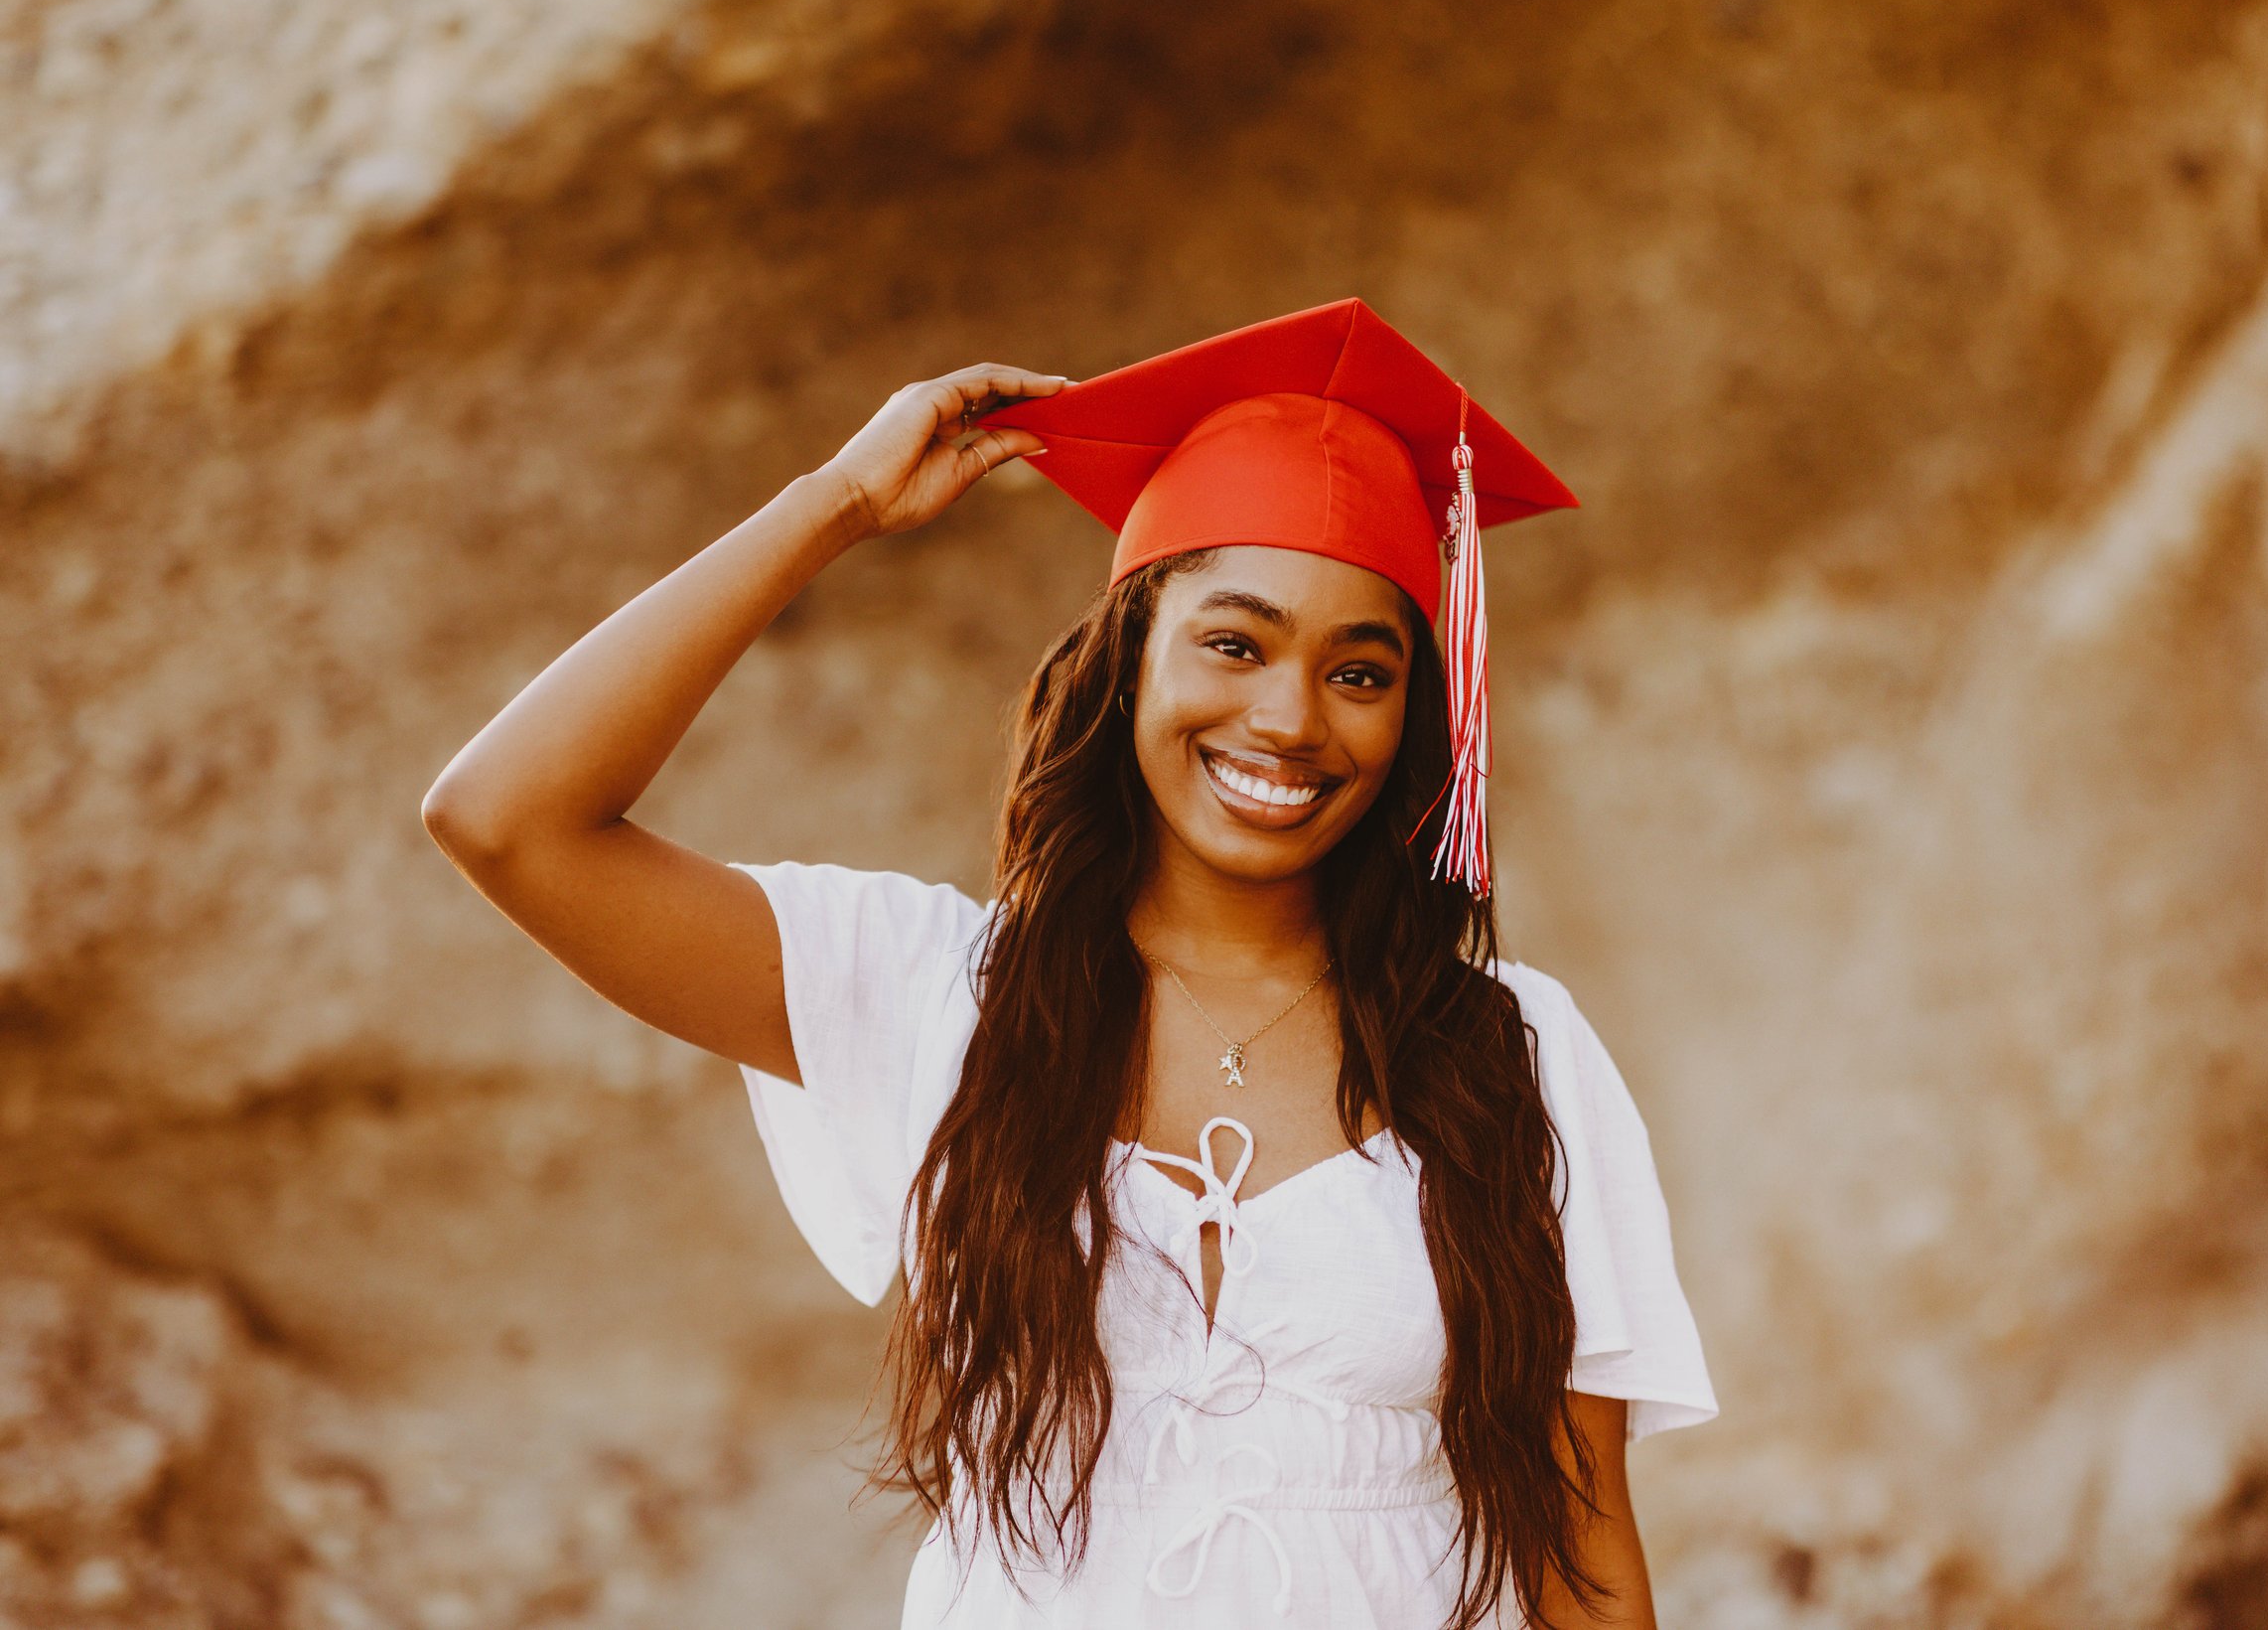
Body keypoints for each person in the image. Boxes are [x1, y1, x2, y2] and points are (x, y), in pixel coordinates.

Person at [422, 298, 1717, 1628]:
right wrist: (834, 504)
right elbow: (509, 820)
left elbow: (1582, 1548)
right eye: (1234, 641)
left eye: (1362, 672)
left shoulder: (1510, 1051)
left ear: (1413, 720)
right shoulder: (932, 994)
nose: (1288, 717)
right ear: (1129, 658)